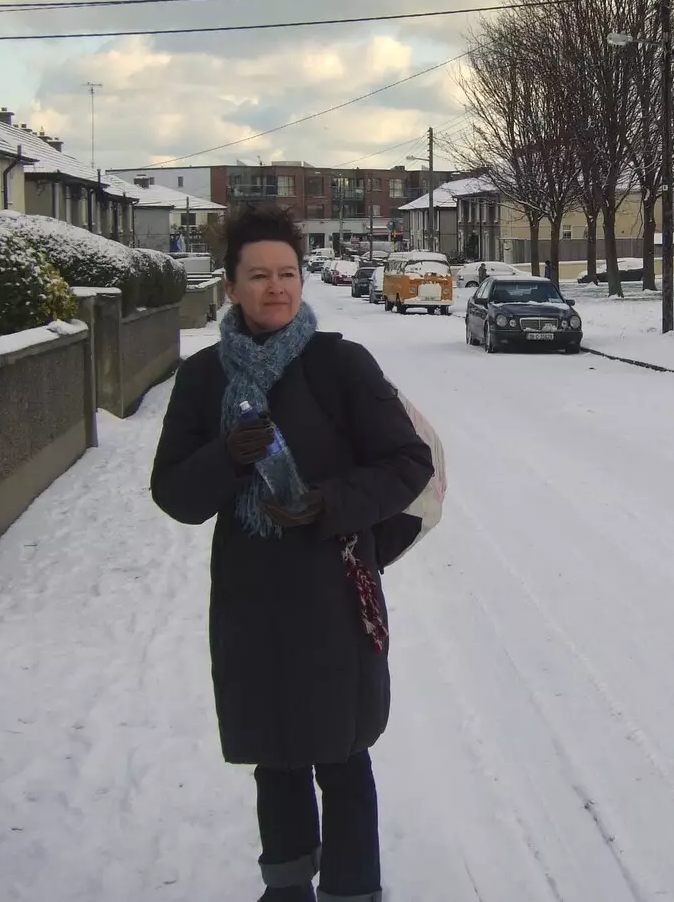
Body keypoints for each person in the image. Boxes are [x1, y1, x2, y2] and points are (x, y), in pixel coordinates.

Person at [151, 204, 434, 902]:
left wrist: (327, 504)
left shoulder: (341, 365)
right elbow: (175, 495)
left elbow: (407, 463)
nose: (276, 287)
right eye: (259, 275)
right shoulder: (203, 379)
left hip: (334, 594)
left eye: (287, 273)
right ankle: (285, 886)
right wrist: (226, 456)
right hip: (250, 599)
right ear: (231, 286)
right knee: (272, 755)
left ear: (301, 280)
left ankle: (352, 890)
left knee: (341, 756)